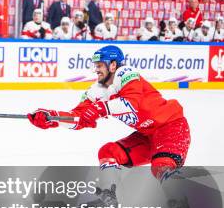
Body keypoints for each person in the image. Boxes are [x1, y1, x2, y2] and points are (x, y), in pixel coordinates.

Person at [27, 45, 190, 183]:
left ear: (113, 65)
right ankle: (108, 197)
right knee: (108, 152)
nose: (96, 69)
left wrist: (100, 108)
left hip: (170, 126)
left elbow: (131, 103)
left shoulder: (126, 72)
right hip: (146, 135)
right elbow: (78, 117)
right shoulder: (96, 90)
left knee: (162, 166)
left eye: (100, 65)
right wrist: (52, 118)